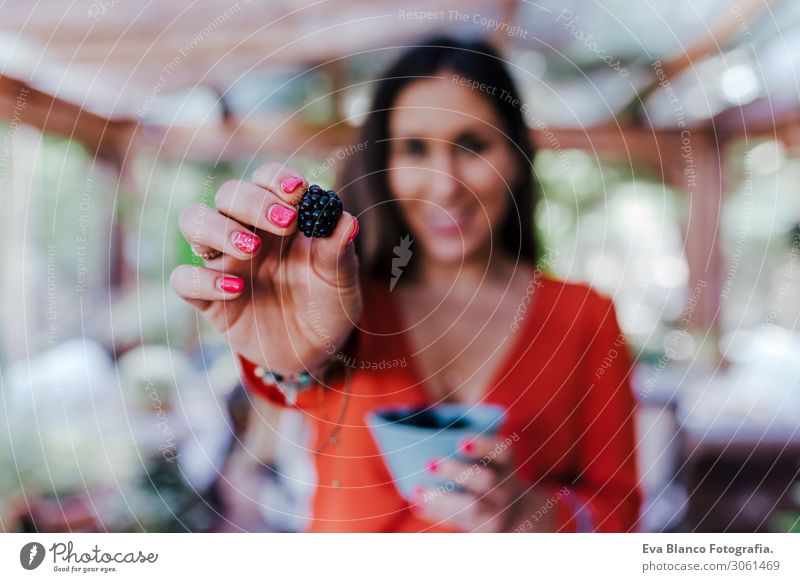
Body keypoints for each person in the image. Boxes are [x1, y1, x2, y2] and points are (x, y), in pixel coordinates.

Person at [170, 36, 641, 532]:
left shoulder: (585, 316)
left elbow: (620, 514)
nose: (444, 186)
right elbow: (292, 383)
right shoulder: (335, 299)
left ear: (517, 154)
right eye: (414, 148)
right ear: (384, 165)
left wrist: (531, 516)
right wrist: (290, 362)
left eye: (473, 145)